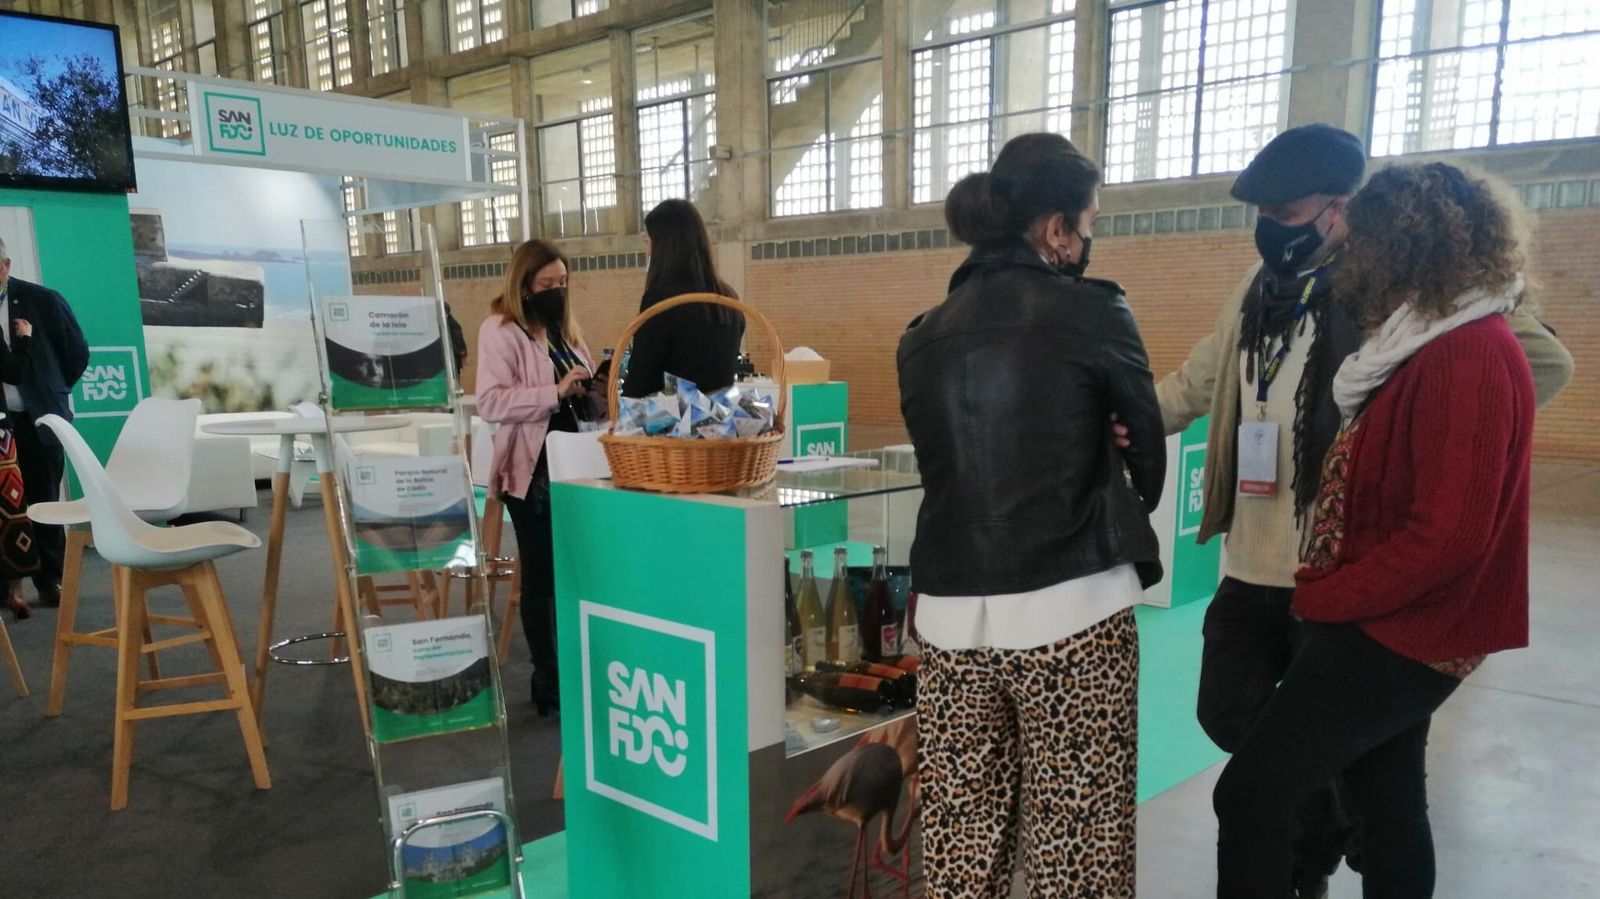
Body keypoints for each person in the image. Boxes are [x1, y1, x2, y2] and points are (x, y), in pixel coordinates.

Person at [1145, 125, 1573, 898]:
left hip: (1367, 593)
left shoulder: (1457, 340)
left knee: (1278, 789)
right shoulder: (1298, 300)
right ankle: (1313, 830)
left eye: (1288, 211)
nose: (1275, 227)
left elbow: (1451, 530)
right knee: (1355, 779)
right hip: (1290, 566)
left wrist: (1442, 443)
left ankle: (1305, 857)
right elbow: (1199, 379)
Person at [898, 132, 1166, 898]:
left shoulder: (919, 337)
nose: (1087, 240)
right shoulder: (1095, 310)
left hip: (950, 619)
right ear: (1056, 228)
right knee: (1076, 846)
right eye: (1089, 222)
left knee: (962, 844)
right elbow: (1147, 462)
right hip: (1072, 610)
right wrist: (1110, 448)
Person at [476, 239, 599, 715]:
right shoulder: (500, 330)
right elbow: (491, 402)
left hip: (576, 463)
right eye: (548, 283)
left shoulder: (566, 331)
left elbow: (581, 380)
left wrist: (593, 385)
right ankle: (548, 678)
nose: (558, 290)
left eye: (564, 282)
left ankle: (577, 666)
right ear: (524, 286)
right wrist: (554, 391)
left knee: (577, 572)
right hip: (531, 472)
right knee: (542, 577)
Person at [0, 236, 89, 611]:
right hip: (1, 424)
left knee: (44, 499)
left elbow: (76, 353)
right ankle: (6, 588)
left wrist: (50, 391)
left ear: (5, 266)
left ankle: (50, 579)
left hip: (37, 417)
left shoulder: (42, 300)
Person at [621, 199, 745, 398]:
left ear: (664, 245)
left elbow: (641, 381)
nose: (647, 252)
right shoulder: (727, 297)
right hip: (720, 415)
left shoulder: (660, 301)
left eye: (647, 241)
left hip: (673, 416)